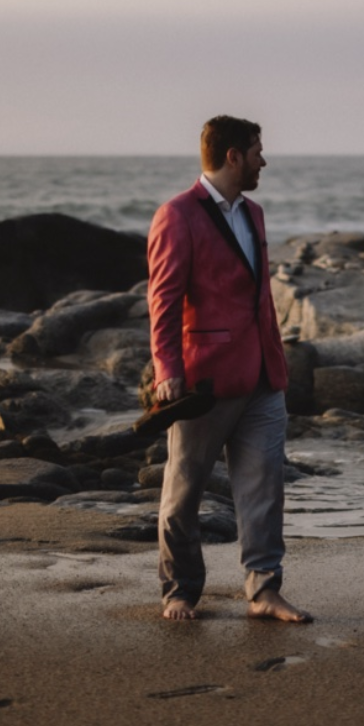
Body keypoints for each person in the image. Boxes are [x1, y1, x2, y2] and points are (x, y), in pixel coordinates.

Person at [146, 115, 312, 623]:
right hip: (204, 378)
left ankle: (264, 590)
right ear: (234, 155)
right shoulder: (177, 214)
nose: (264, 159)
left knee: (264, 486)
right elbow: (164, 300)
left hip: (264, 374)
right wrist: (166, 369)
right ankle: (179, 591)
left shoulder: (255, 213)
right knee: (184, 489)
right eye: (258, 150)